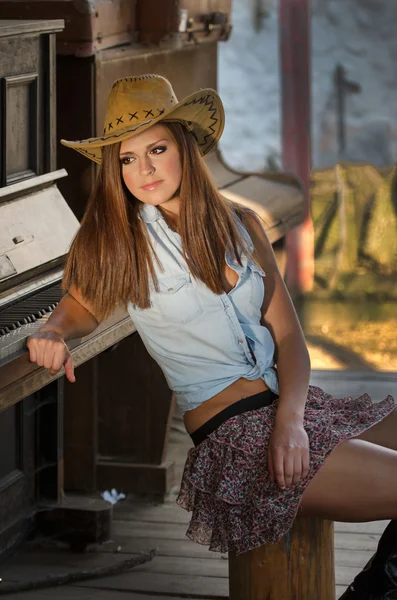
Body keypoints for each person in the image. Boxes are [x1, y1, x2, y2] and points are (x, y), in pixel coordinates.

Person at [27, 74, 397, 558]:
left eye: (156, 150)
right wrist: (52, 331)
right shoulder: (119, 241)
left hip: (290, 409)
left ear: (183, 146)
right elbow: (78, 306)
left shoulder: (242, 224)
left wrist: (291, 420)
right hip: (235, 436)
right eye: (128, 159)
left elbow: (288, 338)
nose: (143, 170)